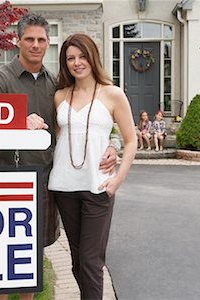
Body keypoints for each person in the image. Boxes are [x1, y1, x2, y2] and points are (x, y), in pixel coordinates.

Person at [0, 13, 117, 300]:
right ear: (17, 41)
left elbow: (86, 121)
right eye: (29, 39)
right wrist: (17, 121)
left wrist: (113, 142)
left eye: (41, 39)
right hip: (6, 181)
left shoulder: (55, 85)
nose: (35, 45)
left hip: (44, 180)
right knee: (2, 253)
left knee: (31, 253)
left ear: (47, 43)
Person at [48, 33, 137, 300]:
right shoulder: (60, 96)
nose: (77, 62)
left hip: (97, 187)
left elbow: (131, 141)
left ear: (93, 56)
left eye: (82, 56)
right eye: (71, 58)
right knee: (77, 261)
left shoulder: (112, 94)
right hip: (63, 187)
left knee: (90, 260)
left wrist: (118, 179)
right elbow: (58, 138)